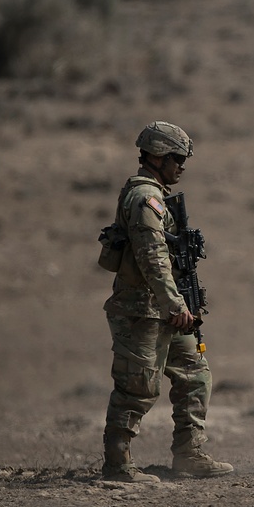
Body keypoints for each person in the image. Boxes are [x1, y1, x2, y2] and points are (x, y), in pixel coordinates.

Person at [100, 121, 233, 483]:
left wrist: (178, 305)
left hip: (167, 309)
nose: (182, 166)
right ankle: (117, 466)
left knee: (195, 374)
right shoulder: (145, 199)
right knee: (136, 387)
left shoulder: (153, 195)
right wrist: (174, 304)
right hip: (143, 310)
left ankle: (189, 455)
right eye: (177, 158)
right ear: (158, 157)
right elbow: (152, 257)